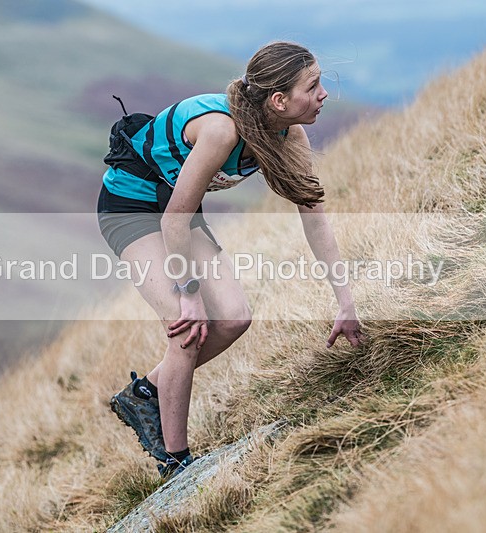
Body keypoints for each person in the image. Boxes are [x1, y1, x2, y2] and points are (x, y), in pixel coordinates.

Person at [99, 41, 364, 481]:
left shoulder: (288, 135)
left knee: (235, 318)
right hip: (132, 211)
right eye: (313, 86)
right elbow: (172, 224)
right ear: (279, 100)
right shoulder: (222, 131)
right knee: (186, 328)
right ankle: (176, 463)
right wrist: (189, 296)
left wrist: (345, 301)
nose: (324, 94)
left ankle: (146, 392)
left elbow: (315, 220)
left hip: (176, 215)